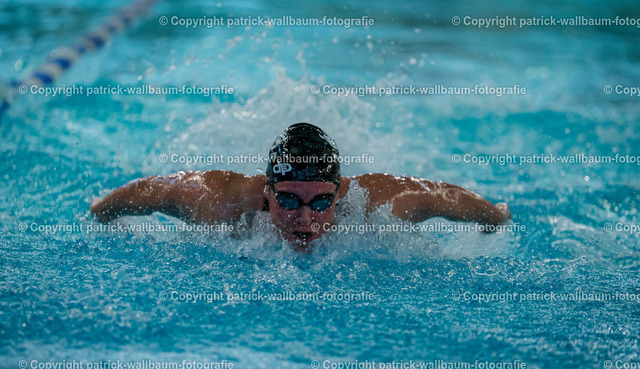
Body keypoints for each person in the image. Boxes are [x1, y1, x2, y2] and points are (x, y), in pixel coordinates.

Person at [90, 123, 511, 247]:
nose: (305, 220)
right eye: (289, 201)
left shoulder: (376, 203)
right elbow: (153, 191)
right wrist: (101, 211)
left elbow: (443, 197)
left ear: (339, 192)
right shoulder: (217, 200)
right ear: (266, 191)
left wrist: (494, 217)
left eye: (321, 203)